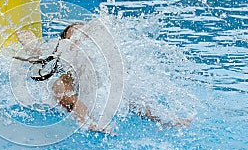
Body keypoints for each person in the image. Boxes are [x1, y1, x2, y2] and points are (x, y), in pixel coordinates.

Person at [15, 23, 191, 135]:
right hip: (63, 91)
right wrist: (91, 124)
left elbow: (137, 101)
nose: (83, 39)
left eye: (86, 35)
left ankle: (169, 120)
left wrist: (166, 119)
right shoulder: (64, 80)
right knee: (58, 88)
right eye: (75, 38)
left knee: (131, 95)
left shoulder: (104, 72)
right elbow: (74, 104)